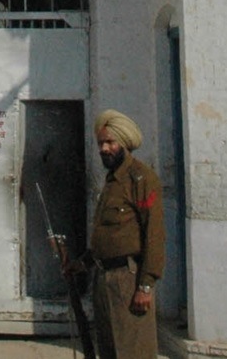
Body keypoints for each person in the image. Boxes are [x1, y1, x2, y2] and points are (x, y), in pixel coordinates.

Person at [77, 109, 166, 359]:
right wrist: (81, 263)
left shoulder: (141, 179)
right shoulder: (112, 182)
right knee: (109, 351)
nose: (104, 148)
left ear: (124, 143)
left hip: (129, 280)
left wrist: (145, 286)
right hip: (104, 279)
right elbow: (108, 232)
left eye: (110, 142)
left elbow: (154, 235)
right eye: (101, 143)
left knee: (133, 351)